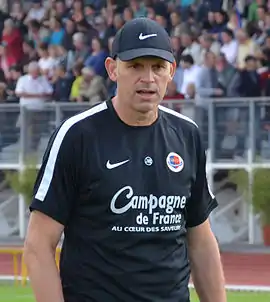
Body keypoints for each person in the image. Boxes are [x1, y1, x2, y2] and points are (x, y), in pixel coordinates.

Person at [23, 18, 226, 302]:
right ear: (112, 69)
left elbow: (201, 240)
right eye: (135, 66)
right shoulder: (77, 136)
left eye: (157, 67)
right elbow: (38, 245)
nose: (148, 78)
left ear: (172, 72)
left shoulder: (187, 135)